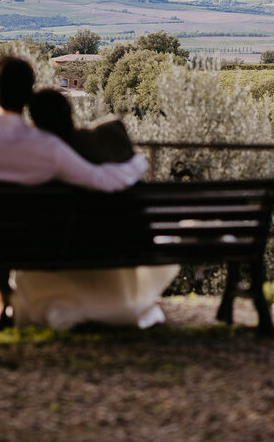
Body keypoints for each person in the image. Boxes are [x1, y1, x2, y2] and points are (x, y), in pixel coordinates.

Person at [0, 56, 147, 330]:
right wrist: (137, 162)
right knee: (5, 226)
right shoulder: (47, 147)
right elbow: (100, 180)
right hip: (28, 241)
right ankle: (5, 302)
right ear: (29, 92)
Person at [19, 88, 179, 331]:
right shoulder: (104, 143)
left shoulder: (45, 155)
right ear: (69, 112)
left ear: (36, 122)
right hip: (120, 247)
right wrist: (137, 162)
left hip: (63, 250)